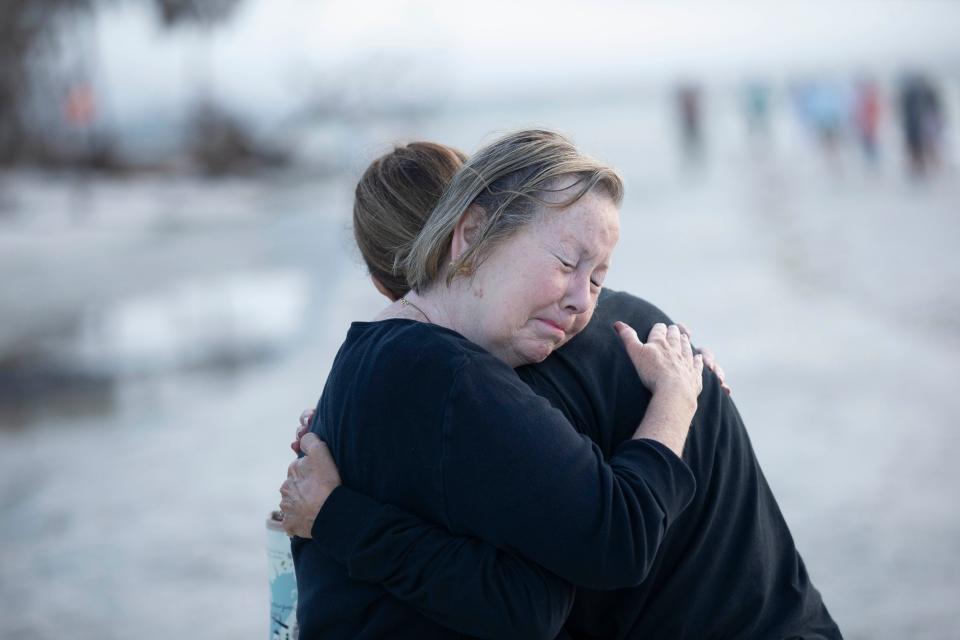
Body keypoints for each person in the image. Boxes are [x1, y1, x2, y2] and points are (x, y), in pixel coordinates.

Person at [282, 135, 842, 639]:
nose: (582, 299)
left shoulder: (416, 374)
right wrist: (681, 394)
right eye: (567, 263)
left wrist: (336, 513)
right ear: (470, 235)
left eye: (596, 277)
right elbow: (544, 593)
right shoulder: (460, 375)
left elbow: (545, 594)